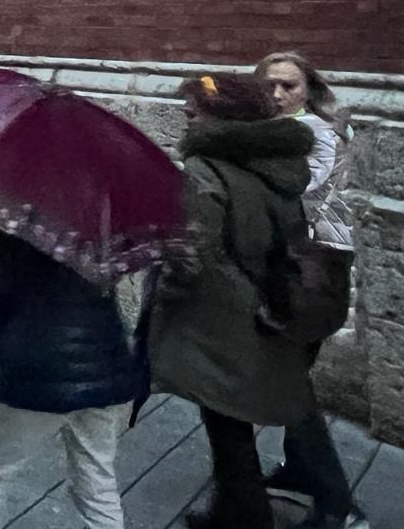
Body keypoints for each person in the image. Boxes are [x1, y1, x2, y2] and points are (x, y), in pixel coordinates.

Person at [148, 74, 327, 529]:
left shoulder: (206, 170)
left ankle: (246, 516)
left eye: (193, 110)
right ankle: (236, 509)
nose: (186, 117)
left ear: (220, 116)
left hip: (221, 319)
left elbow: (192, 255)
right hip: (267, 304)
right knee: (232, 419)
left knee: (226, 424)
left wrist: (163, 296)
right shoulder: (278, 164)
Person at [0, 228, 139, 528]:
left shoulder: (21, 225)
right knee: (97, 480)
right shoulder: (98, 227)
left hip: (42, 367)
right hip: (103, 363)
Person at [254, 52, 366, 529]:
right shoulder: (305, 130)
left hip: (309, 276)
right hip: (310, 273)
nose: (277, 95)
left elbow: (294, 191)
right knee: (294, 375)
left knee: (290, 385)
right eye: (269, 86)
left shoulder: (313, 134)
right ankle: (299, 469)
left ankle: (340, 505)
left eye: (288, 85)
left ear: (308, 88)